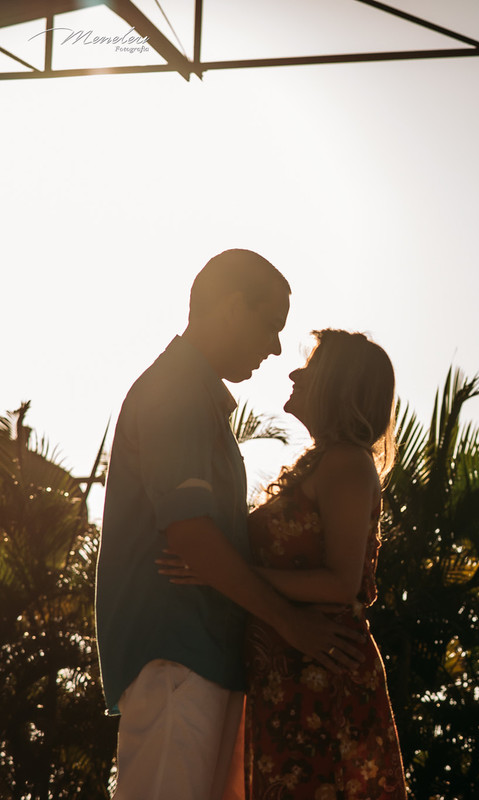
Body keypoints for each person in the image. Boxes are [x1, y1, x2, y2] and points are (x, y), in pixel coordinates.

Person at [96, 250, 364, 800]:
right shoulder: (178, 391)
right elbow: (192, 537)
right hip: (177, 652)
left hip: (203, 656)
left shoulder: (199, 398)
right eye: (270, 325)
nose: (273, 348)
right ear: (232, 307)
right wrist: (290, 623)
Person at [161, 329, 409, 799]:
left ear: (338, 384)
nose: (295, 372)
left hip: (320, 673)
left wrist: (223, 570)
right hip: (290, 671)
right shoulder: (322, 464)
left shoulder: (347, 464)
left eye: (311, 367)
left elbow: (341, 583)